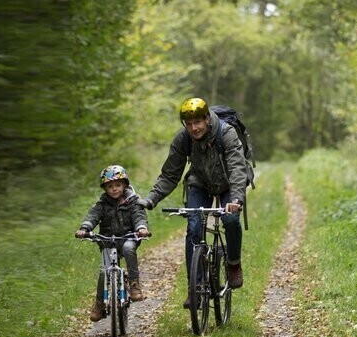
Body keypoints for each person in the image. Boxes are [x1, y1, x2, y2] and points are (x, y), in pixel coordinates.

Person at [138, 97, 248, 307]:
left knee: (231, 220)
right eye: (188, 124)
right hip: (200, 182)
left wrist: (236, 199)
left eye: (197, 122)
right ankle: (194, 288)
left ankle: (233, 263)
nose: (193, 128)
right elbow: (170, 174)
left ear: (207, 119)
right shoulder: (184, 139)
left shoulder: (226, 133)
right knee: (194, 226)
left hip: (227, 183)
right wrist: (150, 199)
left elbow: (236, 169)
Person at [75, 165, 151, 322]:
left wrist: (141, 228)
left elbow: (139, 217)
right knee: (104, 271)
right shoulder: (102, 203)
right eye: (110, 186)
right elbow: (93, 216)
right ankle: (99, 304)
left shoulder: (133, 201)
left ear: (124, 185)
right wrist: (85, 228)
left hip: (128, 237)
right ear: (105, 188)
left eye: (117, 185)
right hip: (108, 240)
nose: (114, 189)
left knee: (130, 249)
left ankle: (134, 283)